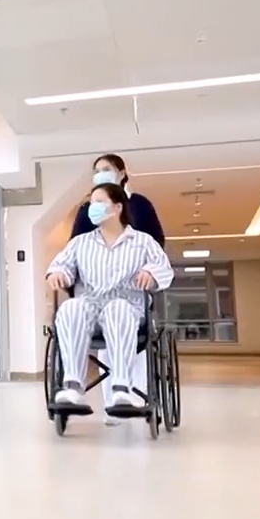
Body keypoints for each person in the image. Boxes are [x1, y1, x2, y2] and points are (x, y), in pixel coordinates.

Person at [45, 183, 174, 418]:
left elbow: (164, 269)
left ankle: (121, 388)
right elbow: (61, 265)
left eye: (98, 202)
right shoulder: (80, 243)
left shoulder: (143, 242)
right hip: (90, 306)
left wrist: (151, 274)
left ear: (117, 207)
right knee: (70, 307)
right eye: (90, 202)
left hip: (128, 306)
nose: (91, 207)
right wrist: (58, 273)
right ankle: (73, 386)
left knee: (117, 309)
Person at [67, 154, 166, 424]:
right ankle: (113, 404)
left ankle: (138, 396)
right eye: (96, 170)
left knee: (134, 340)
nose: (100, 174)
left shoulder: (140, 205)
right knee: (105, 341)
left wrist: (148, 270)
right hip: (98, 290)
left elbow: (157, 242)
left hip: (133, 287)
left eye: (106, 169)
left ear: (122, 173)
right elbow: (75, 247)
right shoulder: (88, 210)